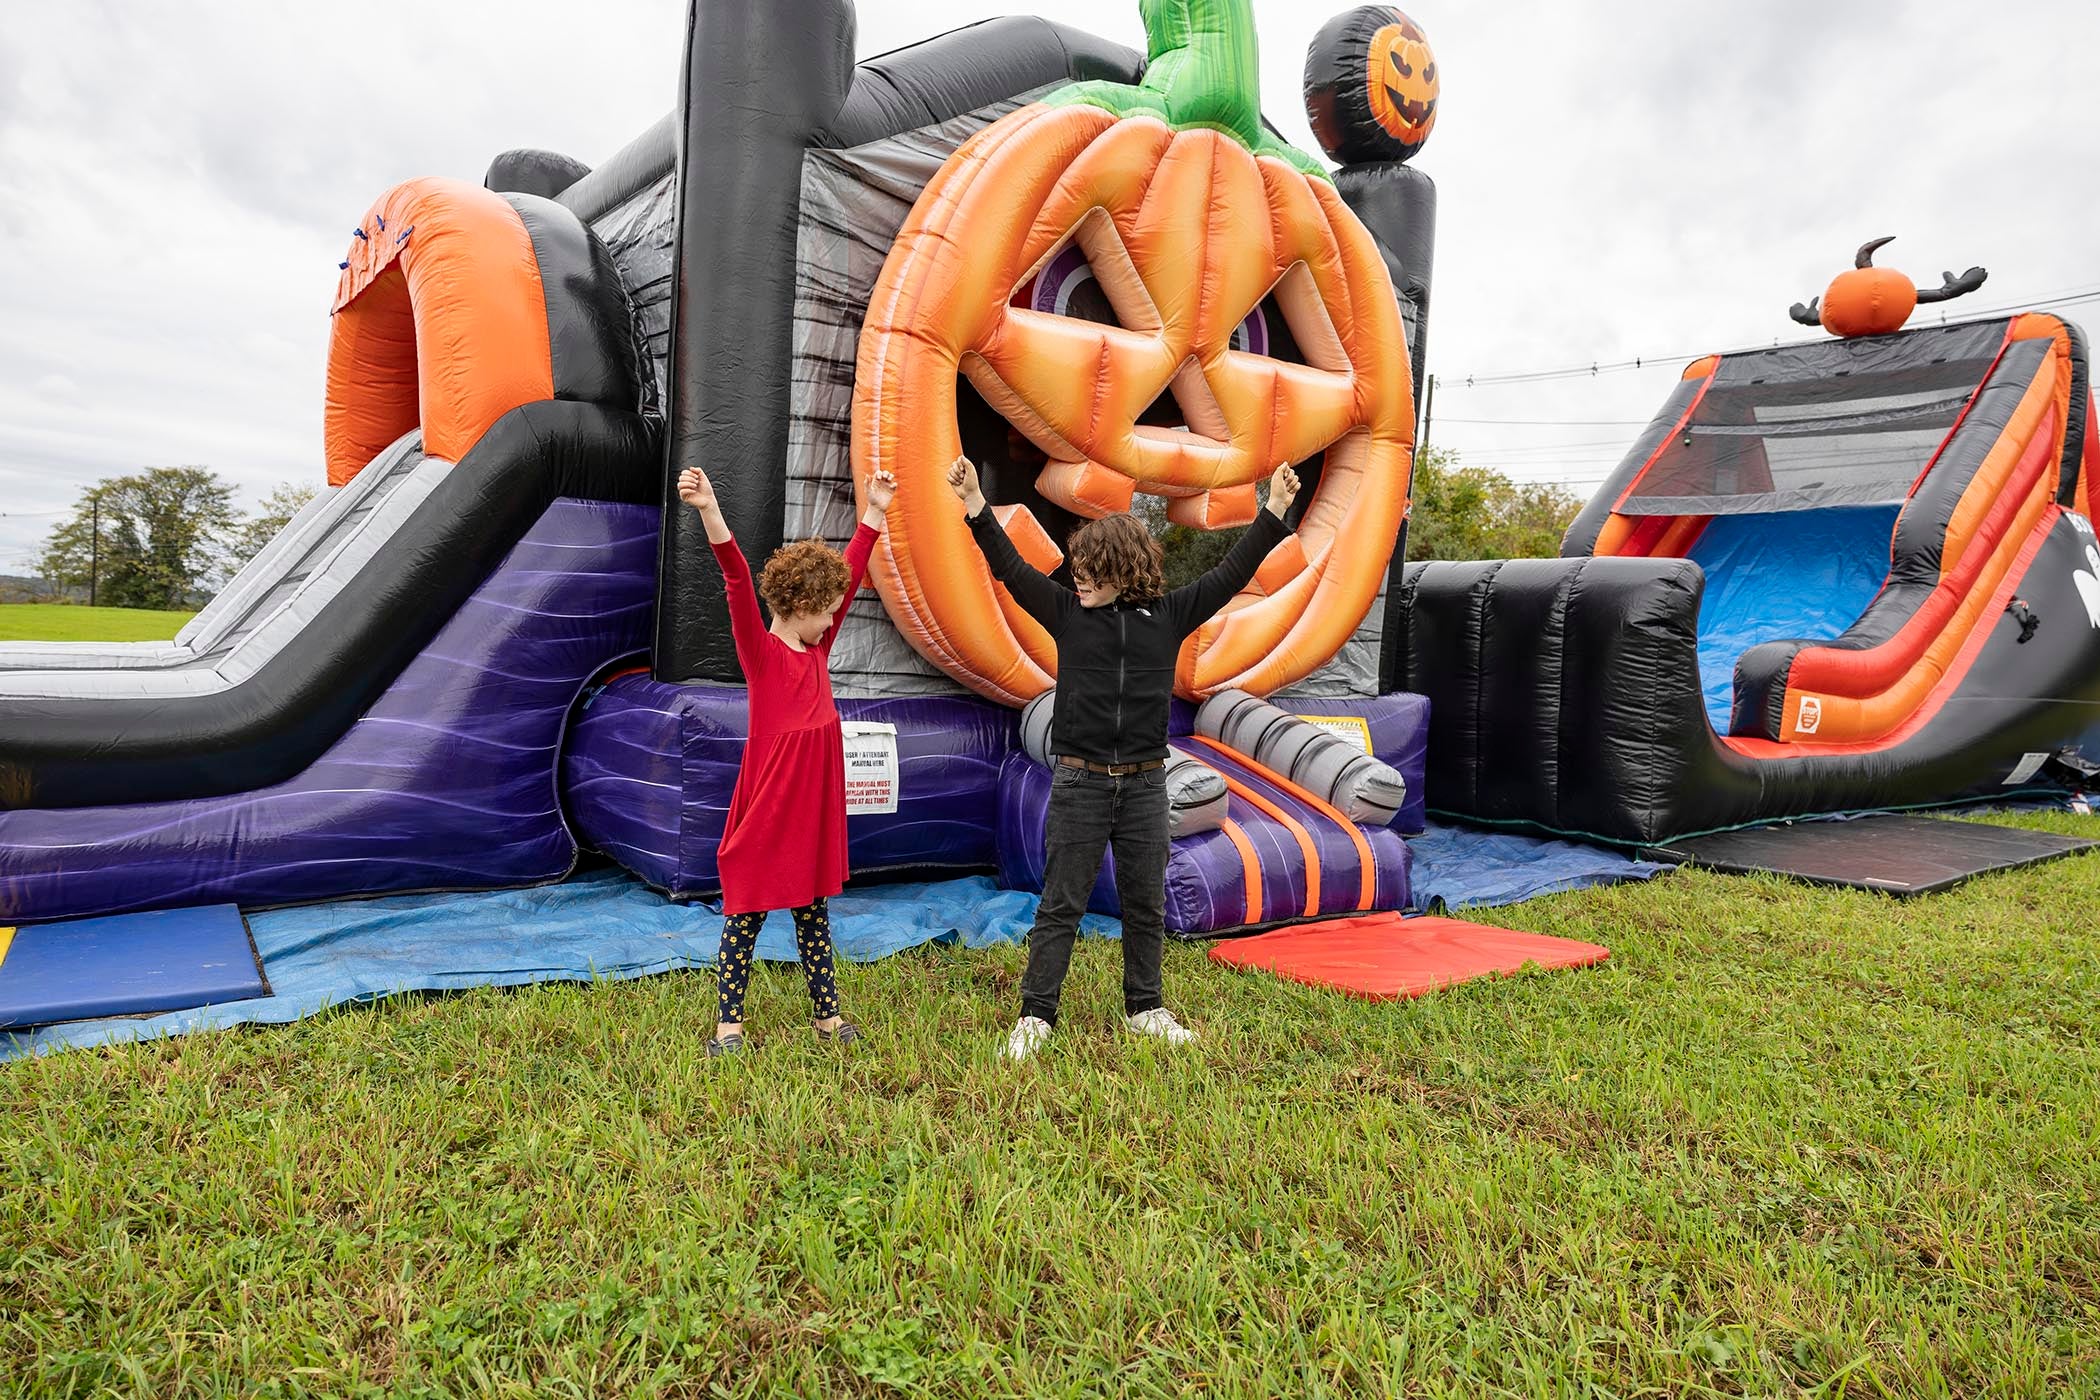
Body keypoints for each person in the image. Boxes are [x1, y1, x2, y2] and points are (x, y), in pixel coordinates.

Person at [947, 456, 1302, 1059]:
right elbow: (1008, 568)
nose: (1077, 578)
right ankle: (1037, 1015)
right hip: (1080, 785)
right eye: (1077, 570)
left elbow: (1230, 570)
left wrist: (1273, 513)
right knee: (1062, 903)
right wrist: (976, 505)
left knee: (1145, 901)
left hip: (1144, 787)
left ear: (1120, 569)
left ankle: (1146, 1007)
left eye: (1088, 570)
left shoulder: (1166, 618)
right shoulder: (1066, 614)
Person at [677, 463, 897, 1056]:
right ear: (799, 605)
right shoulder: (762, 655)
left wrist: (874, 513)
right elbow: (737, 580)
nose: (833, 621)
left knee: (812, 915)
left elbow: (847, 579)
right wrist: (709, 510)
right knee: (745, 915)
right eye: (824, 611)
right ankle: (729, 1028)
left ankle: (827, 1018)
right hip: (770, 809)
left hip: (810, 810)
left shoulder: (817, 650)